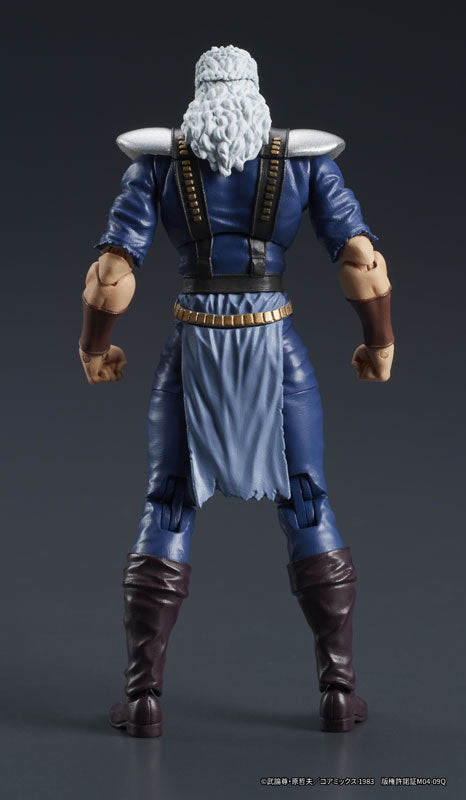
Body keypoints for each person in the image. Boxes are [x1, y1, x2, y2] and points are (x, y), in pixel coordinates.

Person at [79, 45, 394, 737]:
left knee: (168, 504)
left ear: (200, 97)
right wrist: (381, 342)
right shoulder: (304, 164)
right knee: (306, 499)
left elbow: (110, 273)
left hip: (192, 342)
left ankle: (143, 698)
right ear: (255, 95)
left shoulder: (159, 166)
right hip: (273, 341)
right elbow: (362, 261)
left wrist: (94, 348)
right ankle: (338, 692)